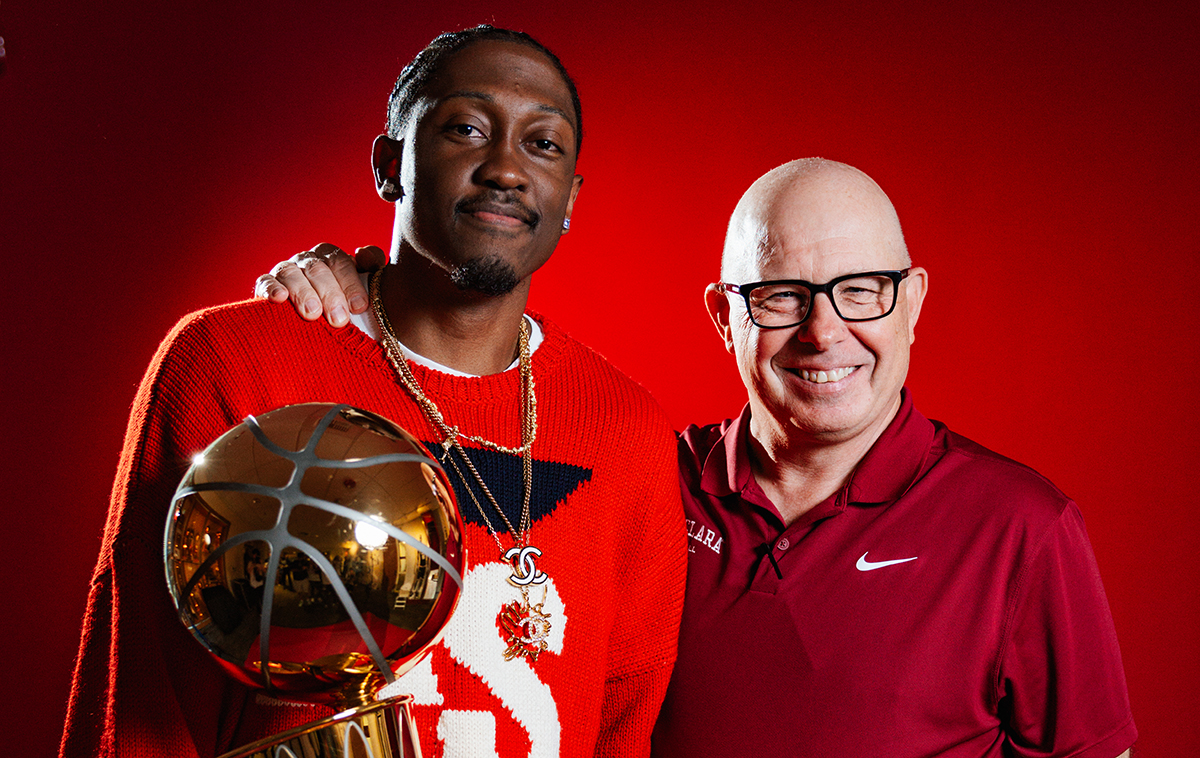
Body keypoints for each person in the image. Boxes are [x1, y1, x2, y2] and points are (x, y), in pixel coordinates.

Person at [263, 159, 1136, 757]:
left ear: (913, 303)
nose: (826, 332)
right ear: (724, 316)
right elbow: (445, 473)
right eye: (782, 296)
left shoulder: (1023, 528)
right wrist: (362, 293)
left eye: (861, 290)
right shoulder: (644, 476)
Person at [60, 26, 685, 758]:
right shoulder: (237, 363)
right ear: (391, 164)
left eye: (543, 144)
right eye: (466, 128)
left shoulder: (628, 431)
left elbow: (622, 721)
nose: (506, 169)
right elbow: (140, 708)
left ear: (570, 197)